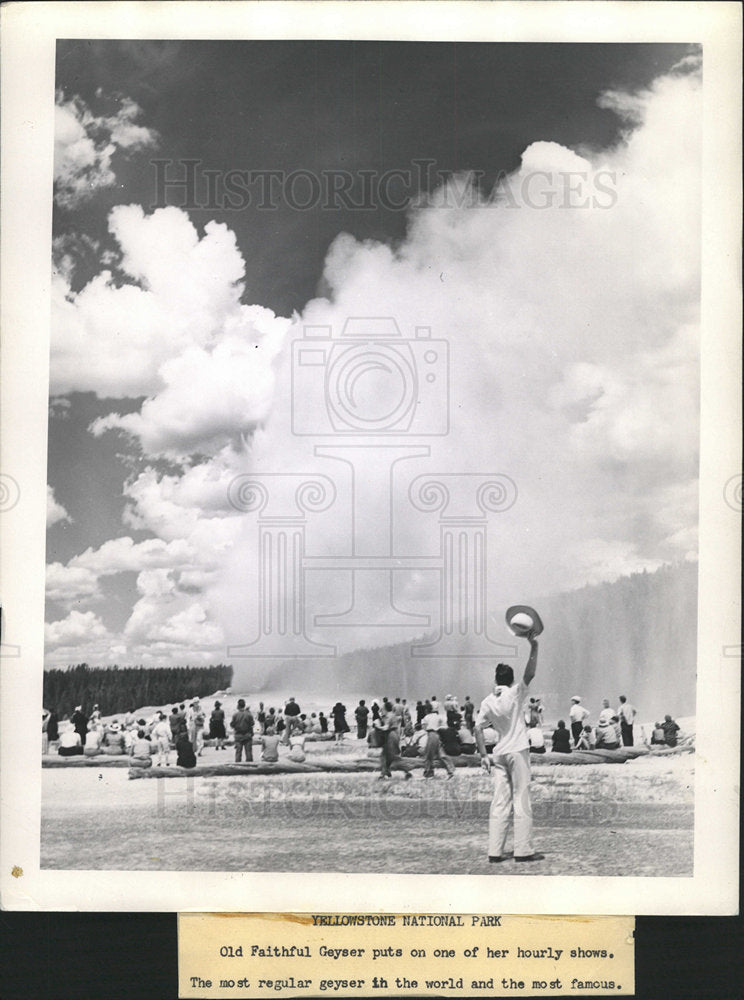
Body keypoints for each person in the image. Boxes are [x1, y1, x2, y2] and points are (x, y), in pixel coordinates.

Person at [475, 626, 543, 864]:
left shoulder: (487, 701)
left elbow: (477, 728)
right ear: (511, 679)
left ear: (496, 679)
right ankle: (522, 851)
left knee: (500, 802)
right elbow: (530, 673)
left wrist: (483, 755)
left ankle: (495, 852)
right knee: (521, 798)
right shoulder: (515, 693)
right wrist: (533, 645)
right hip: (517, 750)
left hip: (498, 754)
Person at [421, 705, 455, 779]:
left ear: (427, 710)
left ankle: (428, 771)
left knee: (429, 754)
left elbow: (424, 727)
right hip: (437, 734)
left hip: (431, 734)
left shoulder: (426, 717)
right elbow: (444, 727)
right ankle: (451, 770)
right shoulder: (438, 716)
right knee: (441, 753)